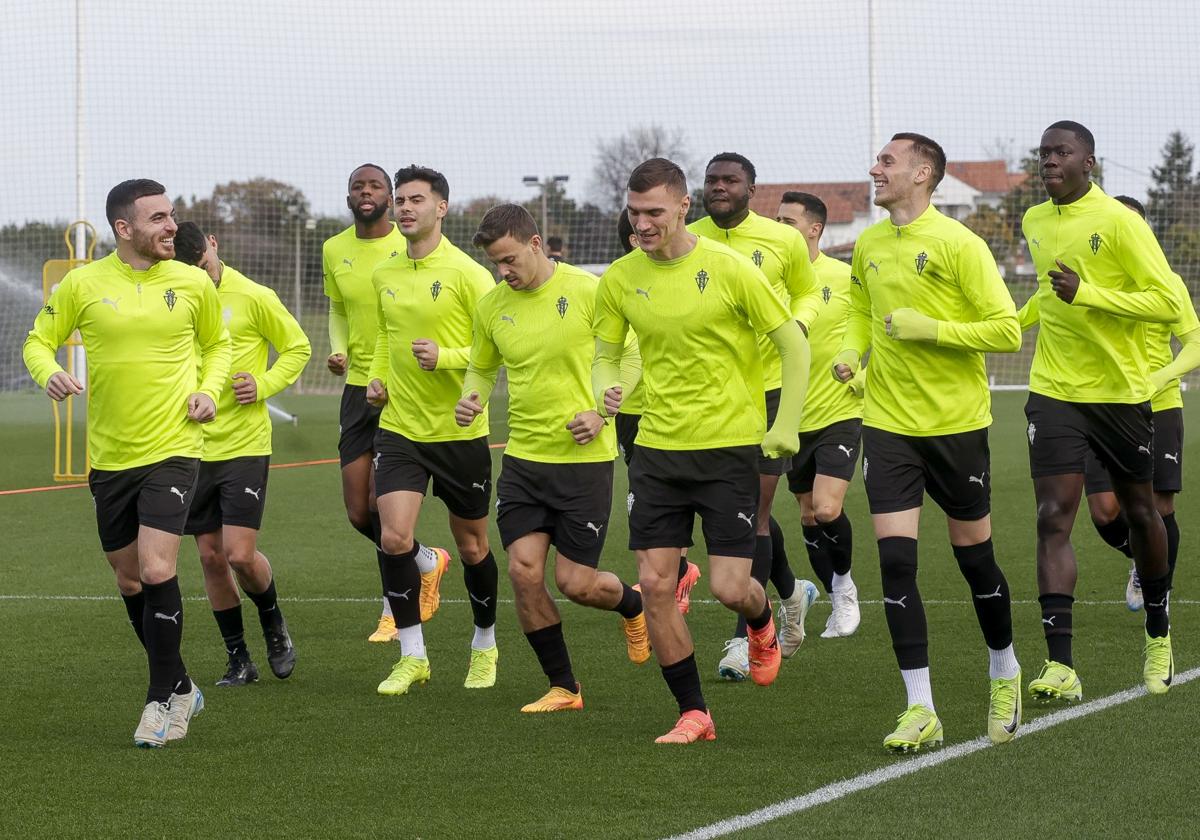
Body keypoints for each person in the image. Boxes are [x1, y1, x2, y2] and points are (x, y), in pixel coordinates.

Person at [593, 158, 810, 744]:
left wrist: (785, 424)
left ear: (683, 207)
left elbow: (793, 344)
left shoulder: (731, 269)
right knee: (656, 586)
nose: (642, 223)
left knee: (728, 588)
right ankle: (694, 712)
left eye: (654, 212)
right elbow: (606, 355)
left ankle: (761, 622)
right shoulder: (619, 279)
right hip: (657, 450)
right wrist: (603, 390)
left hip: (728, 449)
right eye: (634, 213)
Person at [23, 179, 232, 747]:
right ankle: (183, 683)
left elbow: (219, 347)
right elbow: (38, 341)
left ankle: (159, 703)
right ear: (124, 228)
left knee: (160, 568)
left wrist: (210, 390)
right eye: (159, 218)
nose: (171, 227)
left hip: (175, 447)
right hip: (110, 458)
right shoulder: (82, 284)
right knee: (130, 577)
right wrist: (50, 373)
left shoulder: (191, 282)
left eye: (171, 216)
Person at [835, 132, 1023, 751]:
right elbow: (861, 311)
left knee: (975, 561)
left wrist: (931, 329)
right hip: (888, 425)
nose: (874, 169)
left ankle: (1004, 669)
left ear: (923, 173)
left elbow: (1006, 332)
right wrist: (850, 352)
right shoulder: (867, 243)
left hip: (956, 426)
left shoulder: (959, 243)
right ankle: (921, 707)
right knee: (895, 563)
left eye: (886, 161)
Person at [457, 203, 649, 712]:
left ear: (536, 244)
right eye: (496, 264)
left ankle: (633, 603)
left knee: (576, 582)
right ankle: (564, 686)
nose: (504, 271)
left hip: (584, 462)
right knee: (522, 571)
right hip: (523, 460)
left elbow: (629, 358)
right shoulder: (492, 306)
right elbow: (480, 367)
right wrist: (471, 396)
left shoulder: (590, 291)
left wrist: (603, 411)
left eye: (510, 259)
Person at [1020, 122, 1184, 700]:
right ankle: (1060, 665)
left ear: (1090, 163)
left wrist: (1089, 293)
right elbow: (1044, 293)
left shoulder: (1120, 221)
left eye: (1061, 152)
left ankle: (1159, 630)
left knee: (1142, 514)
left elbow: (1169, 302)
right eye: (1043, 153)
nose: (1049, 161)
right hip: (1055, 391)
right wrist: (998, 328)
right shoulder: (1034, 221)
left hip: (1120, 394)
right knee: (1052, 516)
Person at [1018, 195, 1199, 614]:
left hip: (1160, 402)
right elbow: (1026, 314)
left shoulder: (1167, 283)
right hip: (1103, 403)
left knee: (1158, 506)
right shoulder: (1082, 283)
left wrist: (1159, 377)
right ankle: (1140, 559)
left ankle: (1161, 592)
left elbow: (1195, 343)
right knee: (1103, 513)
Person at [367, 165, 498, 695]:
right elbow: (384, 335)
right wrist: (377, 378)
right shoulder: (385, 273)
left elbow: (494, 351)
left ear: (441, 207)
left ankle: (485, 645)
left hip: (460, 432)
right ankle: (412, 654)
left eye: (416, 200)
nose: (404, 208)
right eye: (400, 200)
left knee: (472, 547)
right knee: (393, 537)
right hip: (400, 429)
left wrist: (445, 357)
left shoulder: (471, 275)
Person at [689, 153, 821, 677]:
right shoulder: (687, 236)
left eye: (730, 181)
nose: (719, 188)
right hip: (707, 397)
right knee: (733, 511)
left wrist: (799, 324)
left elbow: (808, 294)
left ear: (751, 188)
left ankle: (743, 640)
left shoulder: (783, 239)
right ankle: (792, 591)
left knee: (754, 515)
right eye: (712, 180)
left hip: (766, 391)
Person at [173, 221, 311, 686]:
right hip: (190, 446)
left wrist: (265, 384)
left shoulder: (255, 296)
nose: (200, 276)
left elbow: (297, 346)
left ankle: (273, 623)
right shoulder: (174, 298)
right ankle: (239, 659)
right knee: (210, 557)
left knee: (237, 553)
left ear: (213, 245)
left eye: (204, 266)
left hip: (244, 445)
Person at [322, 164, 414, 642]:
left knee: (383, 504)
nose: (365, 192)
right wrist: (338, 348)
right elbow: (339, 309)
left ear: (391, 196)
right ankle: (423, 559)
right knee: (359, 511)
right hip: (357, 388)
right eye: (358, 185)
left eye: (375, 186)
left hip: (399, 387)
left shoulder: (408, 245)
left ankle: (393, 609)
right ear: (348, 195)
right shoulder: (334, 249)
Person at [775, 191, 864, 638]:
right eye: (777, 220)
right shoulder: (770, 280)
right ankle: (830, 595)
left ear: (814, 229)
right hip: (789, 419)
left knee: (828, 509)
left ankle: (845, 590)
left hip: (839, 411)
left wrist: (859, 372)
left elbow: (871, 332)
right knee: (808, 516)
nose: (779, 228)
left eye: (788, 221)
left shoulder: (845, 278)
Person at [613, 211, 703, 614]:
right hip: (630, 413)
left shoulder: (682, 282)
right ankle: (676, 573)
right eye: (639, 227)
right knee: (648, 497)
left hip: (667, 410)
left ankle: (676, 573)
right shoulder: (621, 284)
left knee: (672, 496)